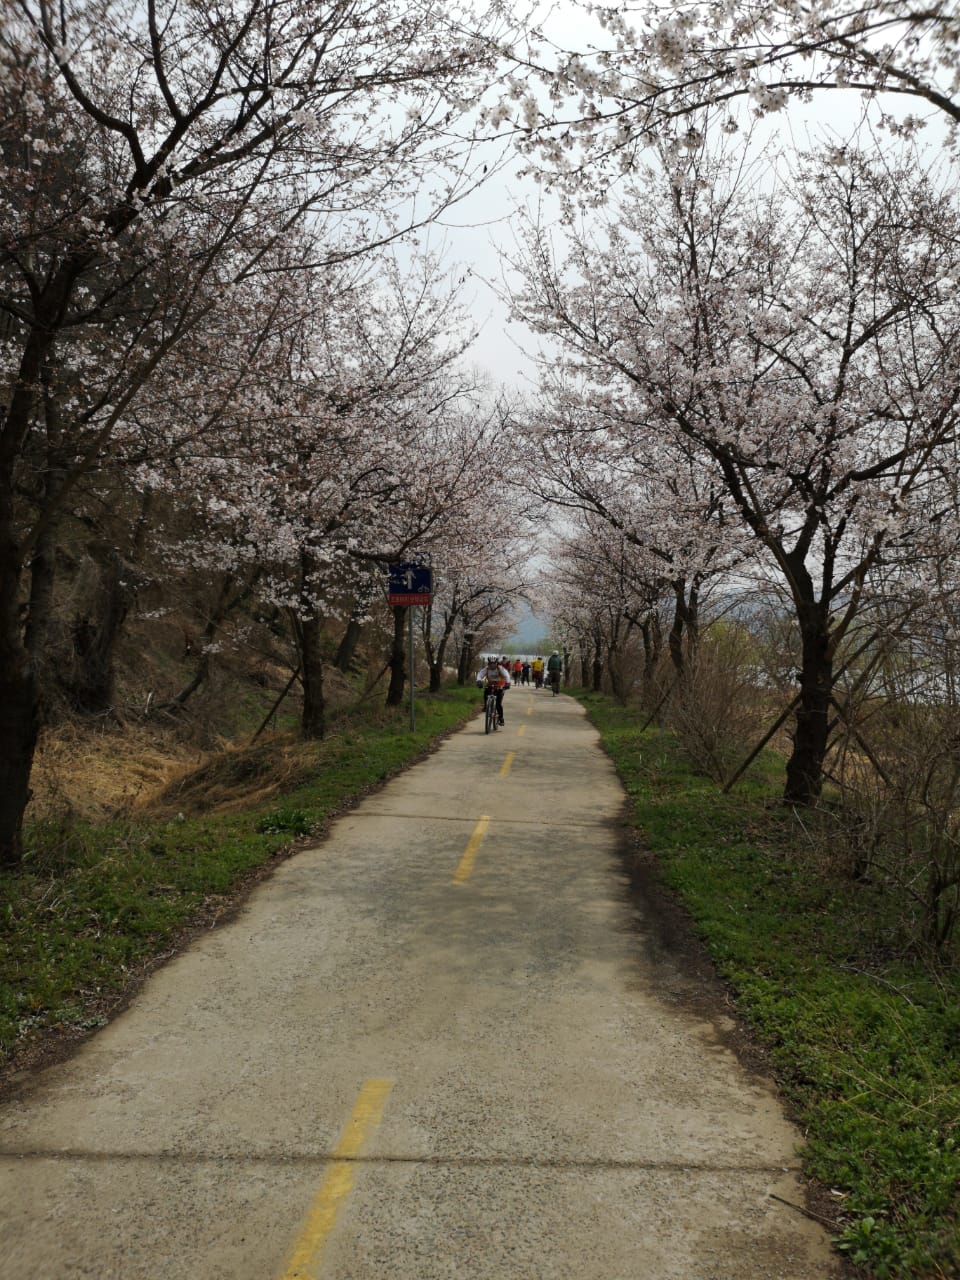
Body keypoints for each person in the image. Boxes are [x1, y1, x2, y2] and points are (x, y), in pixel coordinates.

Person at [476, 655, 511, 725]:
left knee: (498, 704)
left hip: (500, 686)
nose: (492, 665)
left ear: (496, 663)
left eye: (494, 663)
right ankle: (486, 706)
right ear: (488, 663)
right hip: (490, 685)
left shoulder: (500, 668)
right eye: (491, 663)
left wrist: (507, 683)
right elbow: (480, 674)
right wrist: (479, 681)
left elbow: (507, 675)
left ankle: (501, 718)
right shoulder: (487, 669)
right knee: (486, 692)